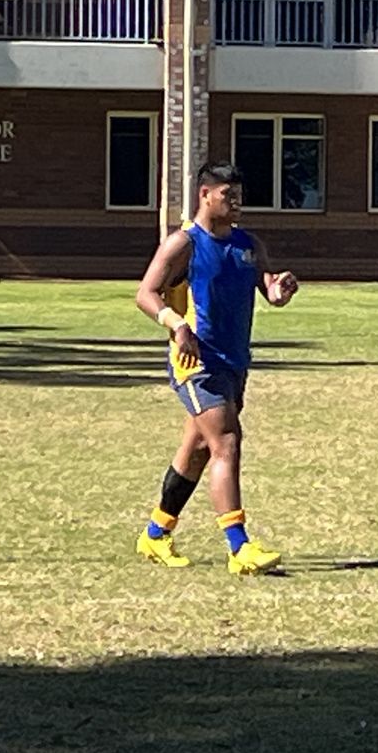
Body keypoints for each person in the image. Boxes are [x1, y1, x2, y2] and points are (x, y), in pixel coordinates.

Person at [134, 162, 299, 575]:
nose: (236, 202)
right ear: (205, 195)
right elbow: (146, 293)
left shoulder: (248, 244)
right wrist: (177, 325)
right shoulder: (184, 244)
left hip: (234, 361)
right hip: (197, 363)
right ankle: (239, 548)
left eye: (239, 194)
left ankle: (155, 533)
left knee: (199, 451)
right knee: (226, 441)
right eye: (228, 194)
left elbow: (268, 288)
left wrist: (278, 290)